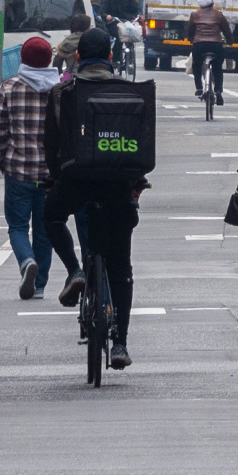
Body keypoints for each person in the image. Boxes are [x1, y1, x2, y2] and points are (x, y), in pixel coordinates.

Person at [42, 29, 145, 370]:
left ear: (78, 57)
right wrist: (134, 182)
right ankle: (120, 343)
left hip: (76, 181)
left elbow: (51, 146)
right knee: (121, 267)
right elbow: (140, 143)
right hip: (117, 185)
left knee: (51, 217)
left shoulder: (61, 93)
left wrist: (56, 179)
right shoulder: (130, 91)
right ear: (111, 56)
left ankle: (74, 271)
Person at [0, 35, 60, 300]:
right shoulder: (60, 90)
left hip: (18, 170)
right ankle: (40, 284)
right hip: (50, 175)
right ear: (49, 59)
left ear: (23, 59)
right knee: (44, 229)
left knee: (18, 226)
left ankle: (25, 262)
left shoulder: (8, 88)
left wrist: (2, 160)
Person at [189, 0, 229, 104]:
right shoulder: (219, 15)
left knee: (196, 65)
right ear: (212, 3)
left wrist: (191, 40)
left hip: (199, 45)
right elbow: (226, 31)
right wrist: (230, 41)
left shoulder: (194, 15)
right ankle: (218, 91)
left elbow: (190, 31)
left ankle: (199, 88)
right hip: (216, 45)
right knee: (217, 68)